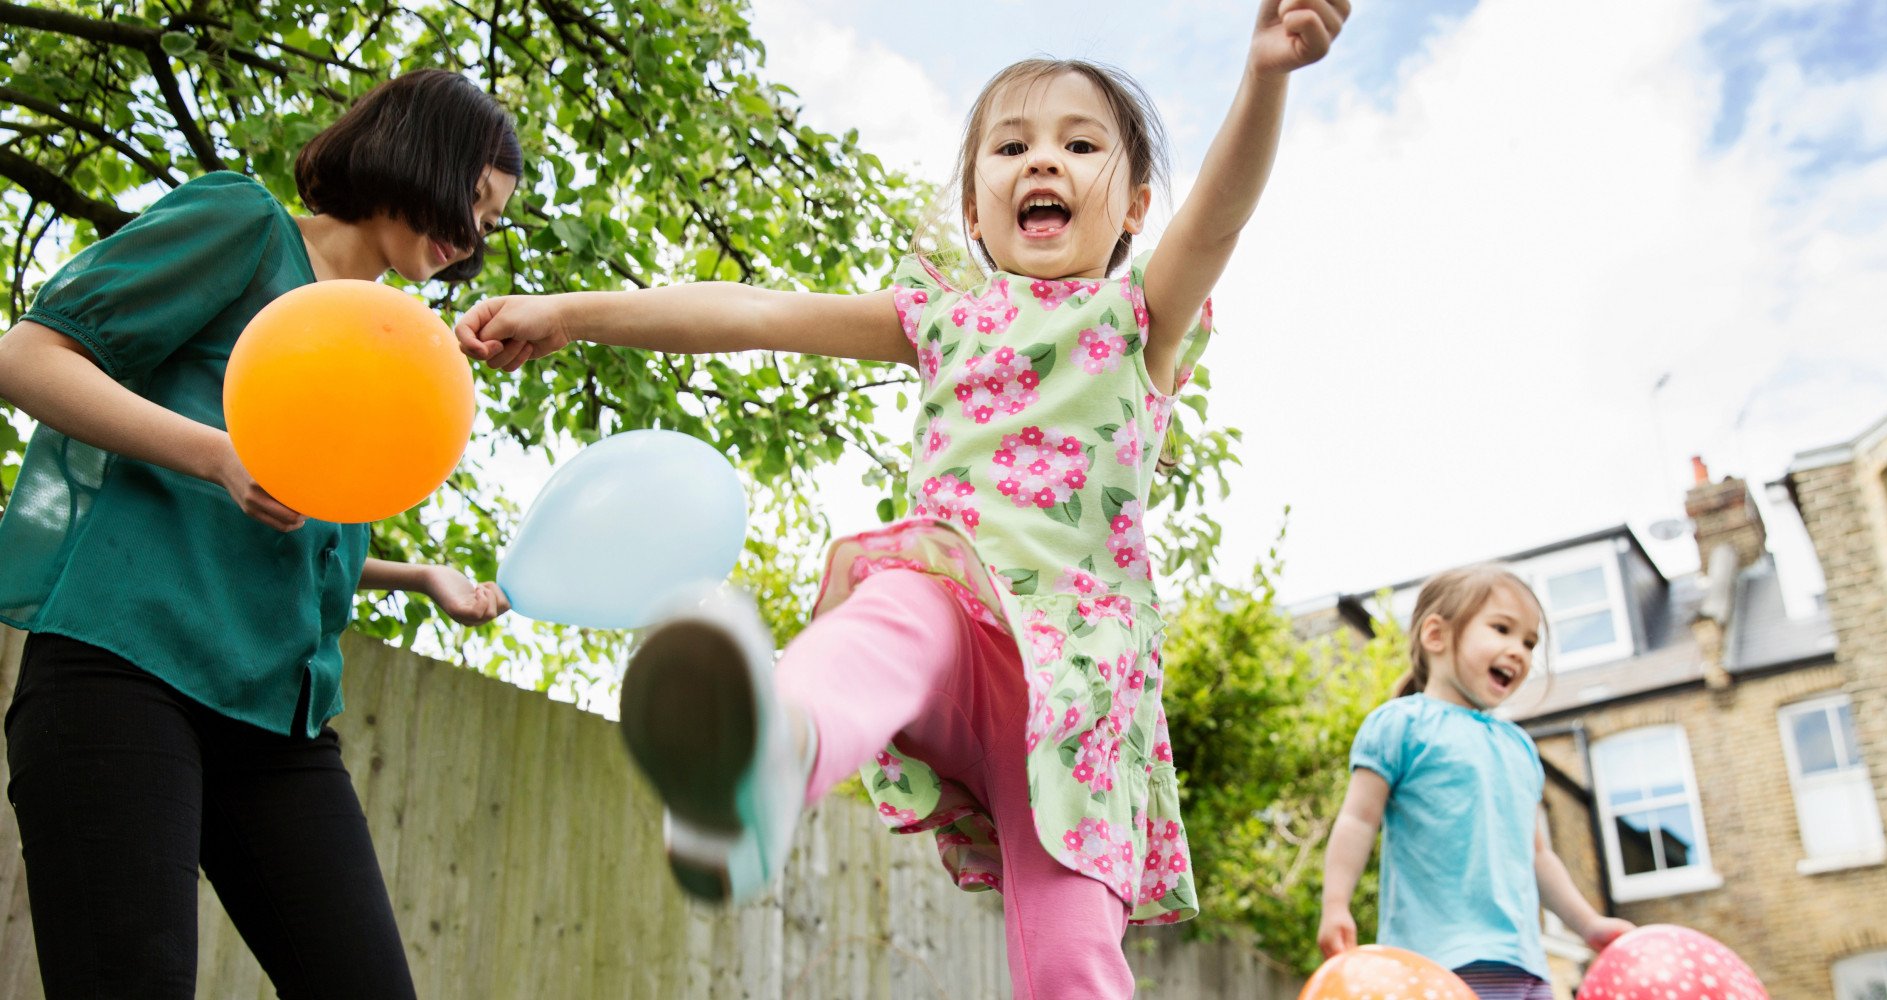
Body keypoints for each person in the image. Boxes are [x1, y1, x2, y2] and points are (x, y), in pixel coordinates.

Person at [456, 2, 1350, 994]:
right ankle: (758, 760)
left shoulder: (1141, 315)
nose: (1041, 162)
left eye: (1078, 143)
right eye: (1010, 145)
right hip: (953, 617)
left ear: (1134, 206)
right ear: (973, 208)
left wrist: (1266, 73)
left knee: (1070, 963)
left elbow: (1219, 213)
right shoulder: (940, 317)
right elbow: (752, 312)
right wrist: (574, 314)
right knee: (888, 606)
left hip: (1079, 694)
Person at [0, 69, 520, 999]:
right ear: (419, 152)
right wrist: (215, 454)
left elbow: (288, 517)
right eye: (472, 199)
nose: (473, 235)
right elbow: (28, 355)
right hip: (122, 671)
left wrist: (415, 575)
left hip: (278, 724)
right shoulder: (243, 228)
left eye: (491, 223)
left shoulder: (383, 346)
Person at [1315, 564, 1634, 999]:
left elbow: (1538, 856)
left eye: (1529, 642)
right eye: (1502, 629)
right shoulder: (1401, 724)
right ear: (1436, 636)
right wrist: (1336, 905)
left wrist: (1588, 924)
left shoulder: (1519, 746)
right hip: (1438, 964)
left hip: (1527, 966)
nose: (1519, 651)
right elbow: (1357, 820)